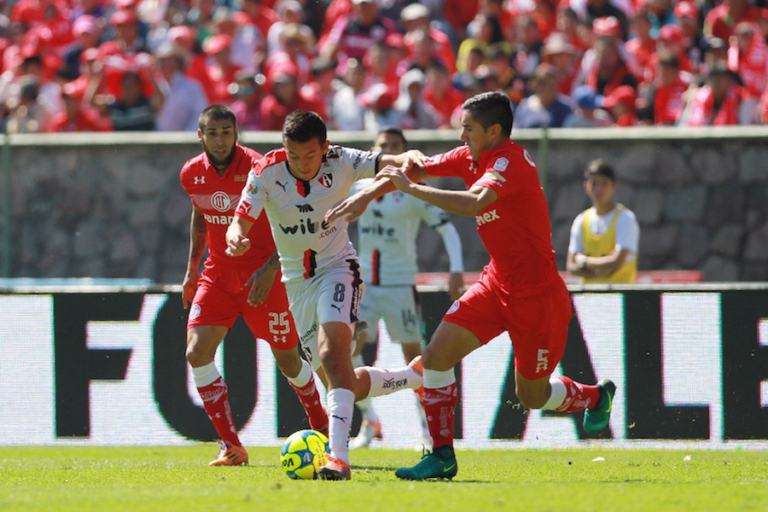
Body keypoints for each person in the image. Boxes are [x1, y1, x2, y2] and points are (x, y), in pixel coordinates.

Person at [327, 92, 616, 481]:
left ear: (494, 131)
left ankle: (596, 396)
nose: (461, 134)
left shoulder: (510, 162)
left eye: (468, 128)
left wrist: (408, 190)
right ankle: (442, 455)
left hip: (537, 298)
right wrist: (365, 198)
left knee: (531, 396)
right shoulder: (470, 155)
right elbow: (414, 170)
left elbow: (476, 201)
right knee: (435, 357)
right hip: (496, 284)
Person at [225, 110, 427, 481]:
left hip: (338, 269)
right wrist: (234, 234)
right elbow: (241, 217)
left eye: (310, 155)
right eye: (294, 156)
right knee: (339, 380)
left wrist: (396, 169)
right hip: (296, 284)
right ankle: (413, 376)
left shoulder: (343, 160)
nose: (302, 164)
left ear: (325, 148)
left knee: (332, 352)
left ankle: (338, 457)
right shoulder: (267, 172)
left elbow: (396, 162)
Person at [180, 105, 328, 466]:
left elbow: (293, 219)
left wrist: (271, 267)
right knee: (196, 352)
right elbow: (201, 218)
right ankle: (231, 446)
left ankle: (324, 429)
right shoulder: (191, 174)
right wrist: (191, 270)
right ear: (200, 136)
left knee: (289, 360)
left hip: (265, 277)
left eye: (226, 131)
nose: (220, 139)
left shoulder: (261, 169)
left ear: (236, 133)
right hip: (217, 276)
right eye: (212, 132)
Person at [349, 127, 465, 450]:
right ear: (374, 150)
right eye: (383, 146)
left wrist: (456, 269)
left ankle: (427, 432)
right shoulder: (359, 186)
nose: (389, 149)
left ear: (404, 151)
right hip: (365, 286)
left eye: (395, 146)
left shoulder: (414, 189)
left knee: (417, 359)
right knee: (348, 351)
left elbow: (447, 228)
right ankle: (369, 422)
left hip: (401, 287)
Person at [566, 159, 640, 284]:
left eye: (604, 183)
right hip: (587, 300)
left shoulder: (625, 219)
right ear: (586, 186)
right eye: (594, 183)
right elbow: (571, 266)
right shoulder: (581, 220)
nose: (599, 189)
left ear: (613, 186)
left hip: (619, 300)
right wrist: (604, 266)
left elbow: (616, 263)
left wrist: (584, 261)